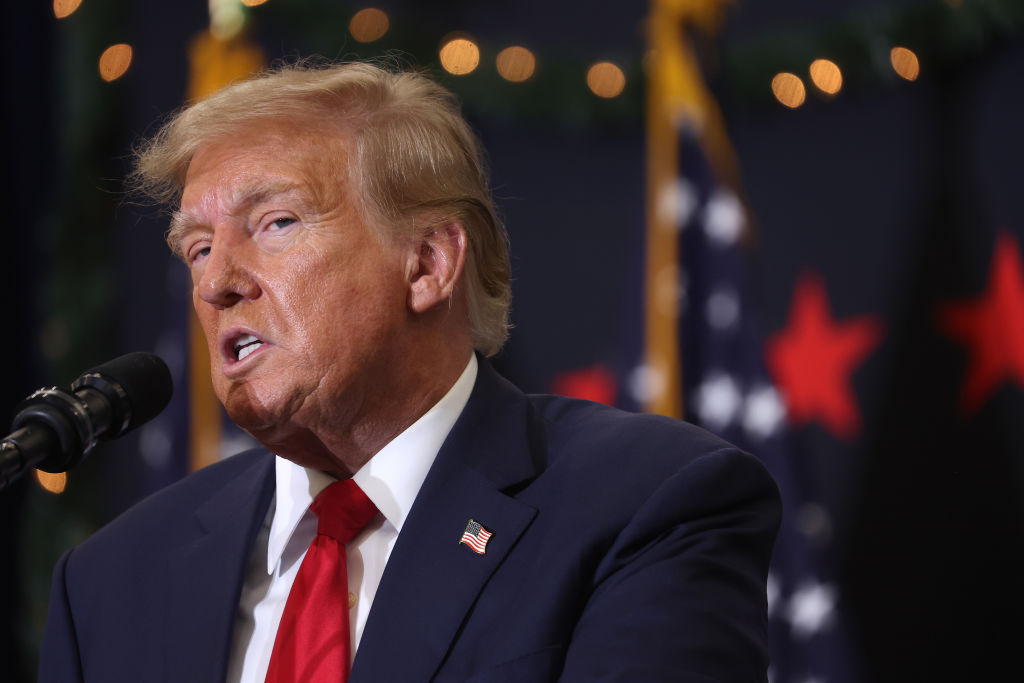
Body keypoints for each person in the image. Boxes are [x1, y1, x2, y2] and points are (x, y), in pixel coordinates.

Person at [39, 61, 781, 682]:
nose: (215, 283)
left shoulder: (644, 506)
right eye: (198, 248)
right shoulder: (111, 583)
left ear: (427, 264)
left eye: (276, 224)